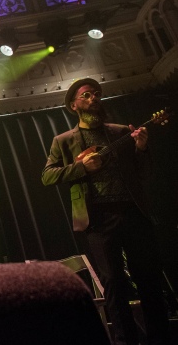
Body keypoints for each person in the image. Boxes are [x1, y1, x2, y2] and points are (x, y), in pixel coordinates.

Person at [41, 78, 170, 345]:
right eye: (86, 95)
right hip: (97, 220)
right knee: (113, 284)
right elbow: (47, 176)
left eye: (96, 94)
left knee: (149, 278)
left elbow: (144, 173)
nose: (93, 98)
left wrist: (142, 148)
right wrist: (81, 168)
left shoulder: (121, 131)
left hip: (133, 212)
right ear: (74, 105)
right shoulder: (63, 141)